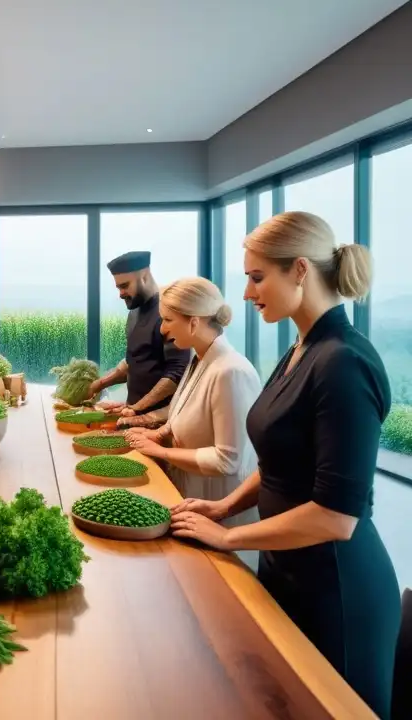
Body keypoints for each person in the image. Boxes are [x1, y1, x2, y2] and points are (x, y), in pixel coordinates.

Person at [170, 212, 399, 717]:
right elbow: (280, 461)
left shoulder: (342, 361)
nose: (247, 295)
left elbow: (336, 517)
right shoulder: (301, 347)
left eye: (256, 277)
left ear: (299, 269)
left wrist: (228, 536)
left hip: (336, 589)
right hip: (288, 567)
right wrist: (224, 506)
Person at [122, 277, 261, 568]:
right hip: (192, 505)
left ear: (194, 322)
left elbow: (227, 460)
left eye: (168, 320)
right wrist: (156, 432)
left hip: (222, 521)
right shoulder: (199, 360)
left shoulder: (230, 372)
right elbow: (180, 413)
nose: (162, 329)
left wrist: (158, 451)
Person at [88, 251, 191, 425]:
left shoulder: (168, 312)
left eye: (125, 285)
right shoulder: (134, 313)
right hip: (133, 419)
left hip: (161, 424)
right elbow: (134, 363)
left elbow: (177, 372)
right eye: (118, 287)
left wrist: (137, 408)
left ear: (144, 276)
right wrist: (99, 384)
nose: (121, 293)